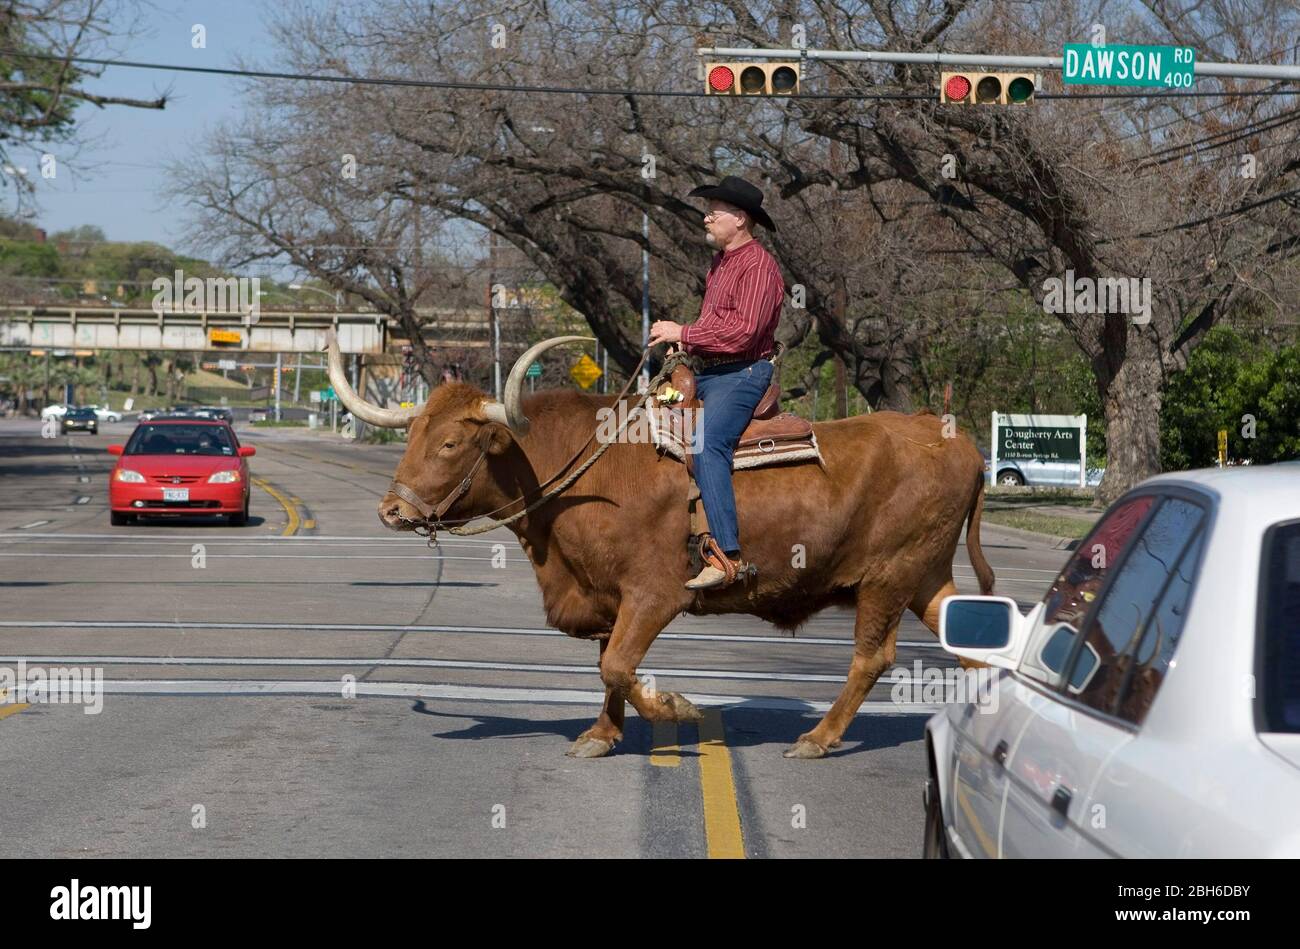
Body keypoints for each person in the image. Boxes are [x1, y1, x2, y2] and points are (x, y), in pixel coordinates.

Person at [648, 175, 784, 590]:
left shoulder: (759, 265)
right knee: (644, 425)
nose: (706, 218)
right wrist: (682, 351)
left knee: (708, 444)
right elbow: (716, 325)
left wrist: (682, 333)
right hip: (712, 373)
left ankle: (727, 556)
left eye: (714, 211)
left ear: (740, 219)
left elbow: (743, 332)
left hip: (744, 374)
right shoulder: (720, 263)